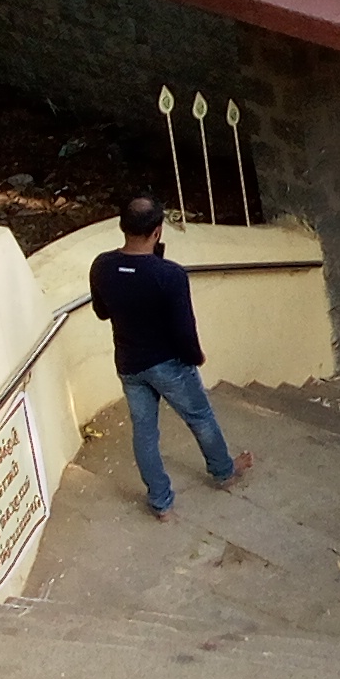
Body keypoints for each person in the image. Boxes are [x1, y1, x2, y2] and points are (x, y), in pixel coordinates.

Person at [89, 197, 251, 519]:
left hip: (129, 363)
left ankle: (160, 502)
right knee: (200, 417)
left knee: (145, 432)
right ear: (158, 231)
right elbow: (183, 329)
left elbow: (101, 312)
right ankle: (223, 471)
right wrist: (196, 356)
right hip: (168, 364)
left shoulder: (102, 266)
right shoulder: (170, 275)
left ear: (122, 226)